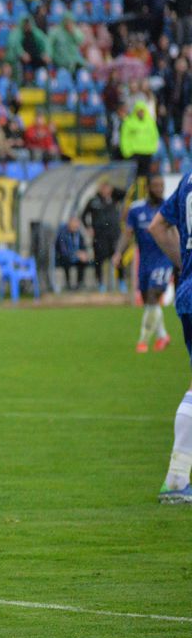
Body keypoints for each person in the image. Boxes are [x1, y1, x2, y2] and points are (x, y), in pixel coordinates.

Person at [148, 170, 192, 502]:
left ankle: (177, 478)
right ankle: (176, 479)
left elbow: (157, 226)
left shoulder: (189, 177)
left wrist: (185, 265)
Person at [115, 175, 173, 353]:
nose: (159, 189)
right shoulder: (136, 209)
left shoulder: (169, 207)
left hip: (163, 259)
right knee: (149, 299)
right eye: (155, 185)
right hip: (144, 261)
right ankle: (163, 336)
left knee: (154, 296)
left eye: (161, 186)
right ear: (148, 187)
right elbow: (128, 233)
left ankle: (143, 341)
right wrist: (119, 252)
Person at [82, 179, 123, 291]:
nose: (106, 190)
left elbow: (124, 193)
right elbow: (83, 215)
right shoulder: (93, 201)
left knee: (118, 258)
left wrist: (113, 189)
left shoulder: (114, 198)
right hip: (99, 236)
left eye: (108, 188)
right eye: (103, 188)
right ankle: (101, 284)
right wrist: (88, 227)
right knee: (99, 260)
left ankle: (121, 282)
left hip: (114, 234)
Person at [121, 100, 159, 180]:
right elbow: (124, 138)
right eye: (139, 110)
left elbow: (154, 136)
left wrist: (153, 149)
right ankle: (135, 192)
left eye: (142, 110)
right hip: (134, 153)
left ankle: (145, 192)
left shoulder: (150, 122)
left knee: (146, 176)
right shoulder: (129, 122)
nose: (140, 112)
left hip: (147, 153)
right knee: (133, 176)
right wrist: (127, 152)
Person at [55, 216, 91, 290]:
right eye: (74, 224)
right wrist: (76, 254)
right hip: (64, 257)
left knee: (83, 261)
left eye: (77, 224)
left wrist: (84, 254)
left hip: (76, 257)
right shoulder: (63, 234)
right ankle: (68, 284)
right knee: (66, 261)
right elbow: (63, 251)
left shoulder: (78, 234)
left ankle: (79, 283)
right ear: (69, 224)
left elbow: (83, 246)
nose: (76, 226)